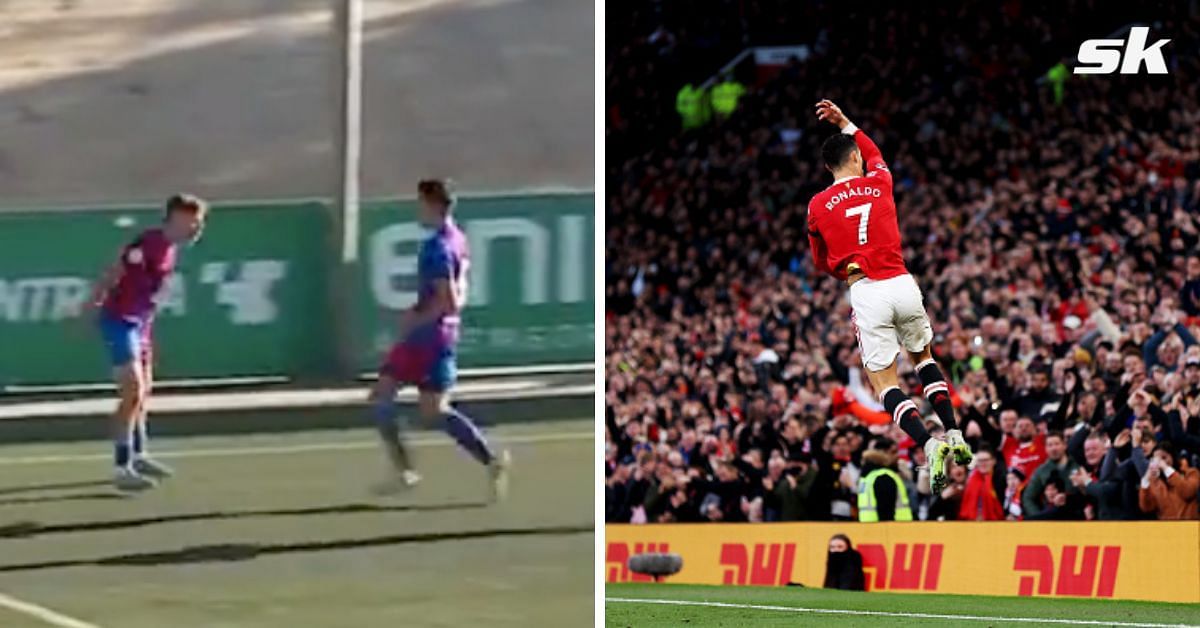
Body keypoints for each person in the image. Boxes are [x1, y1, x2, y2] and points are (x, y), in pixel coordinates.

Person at [807, 100, 972, 492]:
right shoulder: (879, 181)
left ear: (829, 166)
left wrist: (845, 269)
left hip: (865, 289)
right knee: (924, 358)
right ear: (854, 158)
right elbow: (874, 151)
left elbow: (820, 261)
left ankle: (929, 443)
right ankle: (954, 432)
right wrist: (846, 120)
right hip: (901, 281)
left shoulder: (816, 206)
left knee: (884, 384)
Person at [368, 179, 510, 499]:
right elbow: (459, 294)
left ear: (432, 203)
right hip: (440, 335)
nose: (417, 208)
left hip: (427, 339)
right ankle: (409, 471)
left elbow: (448, 299)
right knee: (399, 399)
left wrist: (415, 318)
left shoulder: (438, 247)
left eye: (420, 202)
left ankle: (411, 470)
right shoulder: (458, 238)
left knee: (418, 407)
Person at [88, 194, 207, 491]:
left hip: (140, 325)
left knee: (143, 393)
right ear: (174, 219)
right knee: (132, 391)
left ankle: (139, 455)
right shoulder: (150, 243)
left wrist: (145, 326)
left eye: (198, 221)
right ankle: (121, 466)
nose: (195, 227)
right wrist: (92, 302)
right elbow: (117, 269)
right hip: (119, 321)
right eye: (190, 220)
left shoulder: (170, 250)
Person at [1138, 442, 1200, 520]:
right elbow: (1146, 507)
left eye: (1164, 458)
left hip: (1190, 527)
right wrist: (1145, 480)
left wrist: (1165, 467)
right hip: (1168, 529)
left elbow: (1187, 492)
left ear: (1173, 457)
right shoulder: (1155, 483)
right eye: (1156, 460)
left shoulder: (1192, 473)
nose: (1160, 462)